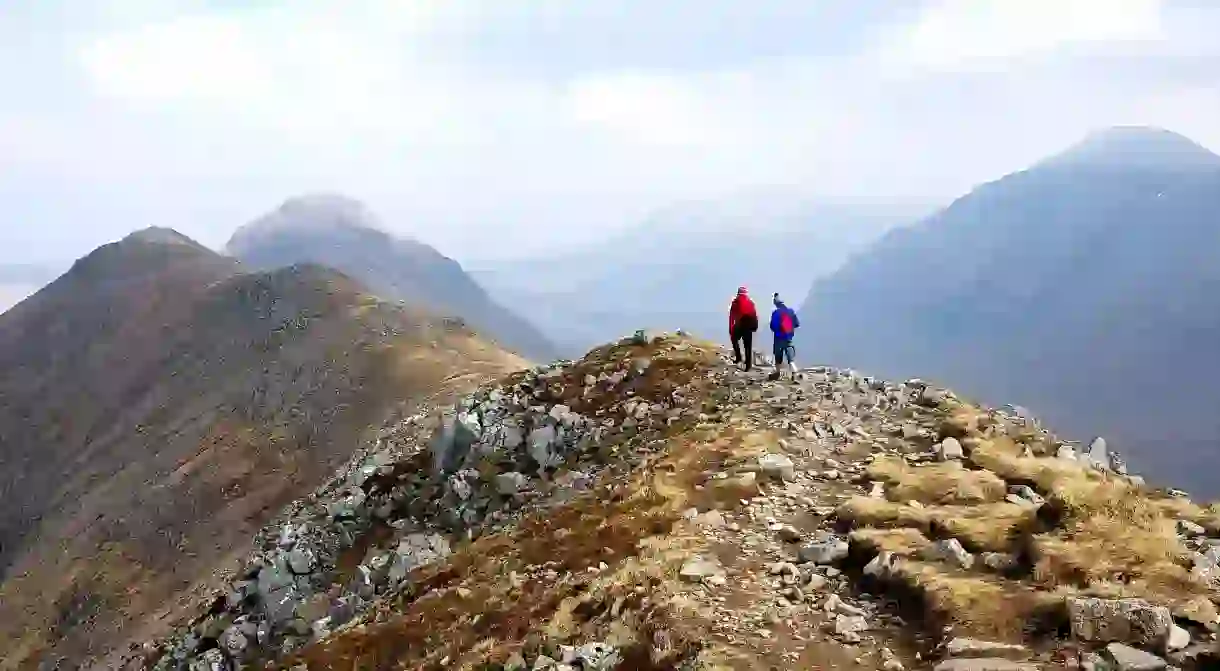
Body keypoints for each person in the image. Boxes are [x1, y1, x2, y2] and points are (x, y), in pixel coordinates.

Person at [768, 293, 800, 381]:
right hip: (788, 338)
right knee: (790, 358)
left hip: (778, 338)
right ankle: (794, 373)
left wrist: (778, 331)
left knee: (778, 357)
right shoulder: (791, 311)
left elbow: (772, 326)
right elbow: (797, 324)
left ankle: (777, 373)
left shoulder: (775, 313)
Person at [728, 286, 758, 370]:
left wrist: (731, 329)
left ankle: (739, 357)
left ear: (738, 293)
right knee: (748, 346)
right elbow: (755, 315)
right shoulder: (751, 302)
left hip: (740, 325)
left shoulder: (735, 302)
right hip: (749, 326)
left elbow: (732, 317)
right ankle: (748, 365)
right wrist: (755, 326)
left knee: (734, 339)